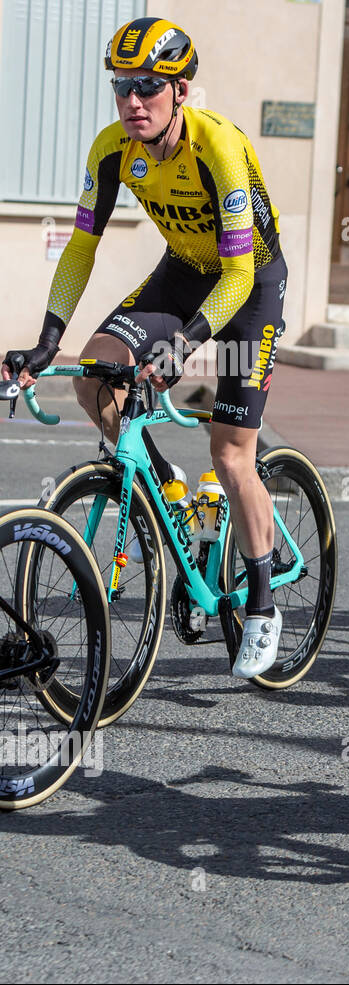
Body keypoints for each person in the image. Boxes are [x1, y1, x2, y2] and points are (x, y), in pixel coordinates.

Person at [1, 16, 288, 677]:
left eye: (148, 87)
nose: (133, 101)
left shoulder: (219, 148)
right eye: (121, 87)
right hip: (182, 274)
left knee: (232, 451)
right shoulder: (112, 149)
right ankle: (165, 484)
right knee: (94, 372)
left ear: (181, 90)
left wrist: (185, 345)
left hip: (249, 286)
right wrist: (49, 341)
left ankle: (265, 603)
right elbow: (81, 246)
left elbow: (240, 273)